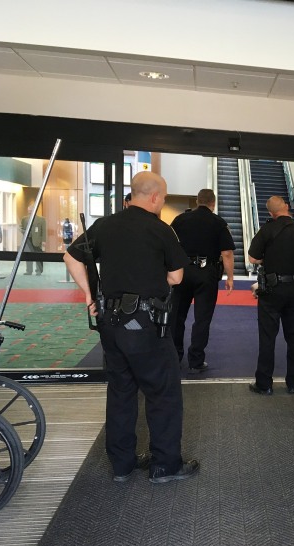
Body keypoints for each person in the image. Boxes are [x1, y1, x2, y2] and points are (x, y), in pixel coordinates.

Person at [63, 171, 199, 484]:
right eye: (163, 197)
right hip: (146, 325)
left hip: (109, 323)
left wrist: (88, 293)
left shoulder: (104, 225)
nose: (162, 202)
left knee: (121, 391)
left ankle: (122, 465)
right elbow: (177, 277)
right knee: (162, 393)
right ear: (154, 197)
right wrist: (152, 281)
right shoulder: (160, 230)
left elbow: (71, 257)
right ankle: (165, 465)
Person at [248, 196, 294, 395]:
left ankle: (264, 384)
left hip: (271, 291)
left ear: (270, 212)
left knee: (267, 338)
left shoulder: (267, 230)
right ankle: (293, 383)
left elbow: (253, 257)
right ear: (286, 207)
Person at [170, 189, 236, 374]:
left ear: (197, 201)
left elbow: (168, 245)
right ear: (213, 203)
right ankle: (196, 360)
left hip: (182, 271)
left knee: (177, 317)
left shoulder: (180, 220)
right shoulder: (218, 223)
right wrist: (230, 277)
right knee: (202, 319)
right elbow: (227, 253)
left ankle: (175, 357)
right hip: (206, 273)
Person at [21, 203, 46, 275]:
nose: (29, 211)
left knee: (38, 256)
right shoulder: (24, 219)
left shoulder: (41, 219)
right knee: (28, 256)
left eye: (31, 210)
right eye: (28, 210)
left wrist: (44, 241)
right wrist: (24, 231)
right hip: (27, 240)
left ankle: (38, 271)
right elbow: (21, 228)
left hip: (37, 240)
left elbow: (43, 231)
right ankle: (29, 271)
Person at [62, 217, 75, 282]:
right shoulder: (69, 225)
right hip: (68, 240)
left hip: (67, 240)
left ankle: (68, 278)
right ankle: (68, 278)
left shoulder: (65, 225)